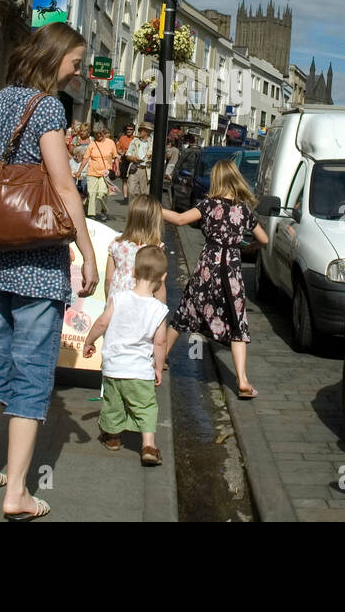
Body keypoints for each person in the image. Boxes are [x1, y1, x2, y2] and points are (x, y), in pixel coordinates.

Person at [0, 22, 97, 521]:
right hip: (36, 263)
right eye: (74, 62)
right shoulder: (48, 106)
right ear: (54, 56)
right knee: (31, 373)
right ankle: (16, 493)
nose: (77, 72)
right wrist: (88, 251)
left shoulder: (0, 101)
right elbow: (63, 187)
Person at [162, 158, 268, 399]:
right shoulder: (244, 210)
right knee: (237, 322)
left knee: (185, 313)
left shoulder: (209, 205)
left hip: (207, 268)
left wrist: (154, 209)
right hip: (231, 272)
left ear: (217, 179)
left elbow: (179, 220)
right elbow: (264, 240)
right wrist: (248, 247)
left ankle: (158, 359)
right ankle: (242, 380)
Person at [82, 245, 170, 466]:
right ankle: (148, 445)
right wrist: (158, 366)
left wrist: (89, 340)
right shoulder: (159, 309)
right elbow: (160, 342)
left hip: (114, 367)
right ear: (163, 277)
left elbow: (103, 322)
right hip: (140, 370)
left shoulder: (119, 298)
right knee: (146, 407)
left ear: (132, 272)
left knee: (114, 403)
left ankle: (112, 438)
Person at [106, 195, 165, 302]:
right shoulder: (155, 249)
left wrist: (108, 302)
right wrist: (162, 308)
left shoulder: (116, 244)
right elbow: (159, 286)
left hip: (116, 302)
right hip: (140, 305)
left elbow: (108, 279)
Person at [77, 124, 117, 218]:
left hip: (105, 173)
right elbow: (86, 158)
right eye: (96, 134)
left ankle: (104, 210)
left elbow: (115, 157)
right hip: (92, 172)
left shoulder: (110, 143)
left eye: (100, 133)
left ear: (104, 132)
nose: (98, 135)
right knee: (92, 193)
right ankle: (91, 214)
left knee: (102, 194)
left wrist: (117, 169)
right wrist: (79, 171)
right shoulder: (92, 144)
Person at [125, 123, 154, 198]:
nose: (139, 131)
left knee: (144, 194)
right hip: (135, 168)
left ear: (147, 132)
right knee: (131, 191)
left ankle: (140, 209)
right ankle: (133, 208)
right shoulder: (134, 141)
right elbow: (127, 155)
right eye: (139, 130)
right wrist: (134, 158)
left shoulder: (153, 143)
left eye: (141, 130)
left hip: (146, 170)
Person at [116, 123, 136, 199]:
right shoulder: (122, 138)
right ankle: (125, 197)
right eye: (128, 129)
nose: (129, 131)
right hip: (124, 161)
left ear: (133, 130)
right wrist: (121, 152)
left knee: (131, 179)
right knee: (124, 180)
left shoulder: (135, 139)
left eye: (131, 129)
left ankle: (130, 195)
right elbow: (118, 149)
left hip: (132, 161)